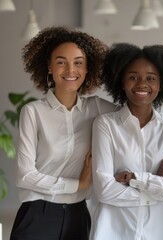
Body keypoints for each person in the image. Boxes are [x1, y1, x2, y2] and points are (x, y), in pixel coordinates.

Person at [10, 26, 117, 240]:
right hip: (37, 215)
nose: (70, 70)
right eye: (61, 62)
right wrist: (79, 185)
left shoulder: (98, 108)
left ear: (88, 69)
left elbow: (135, 114)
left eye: (78, 62)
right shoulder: (33, 112)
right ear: (49, 67)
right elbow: (25, 176)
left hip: (77, 215)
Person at [90, 43, 163, 240]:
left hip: (160, 231)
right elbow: (104, 191)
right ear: (122, 82)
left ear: (160, 84)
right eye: (133, 77)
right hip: (113, 231)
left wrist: (134, 178)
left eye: (151, 78)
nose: (142, 84)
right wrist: (154, 181)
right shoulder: (105, 125)